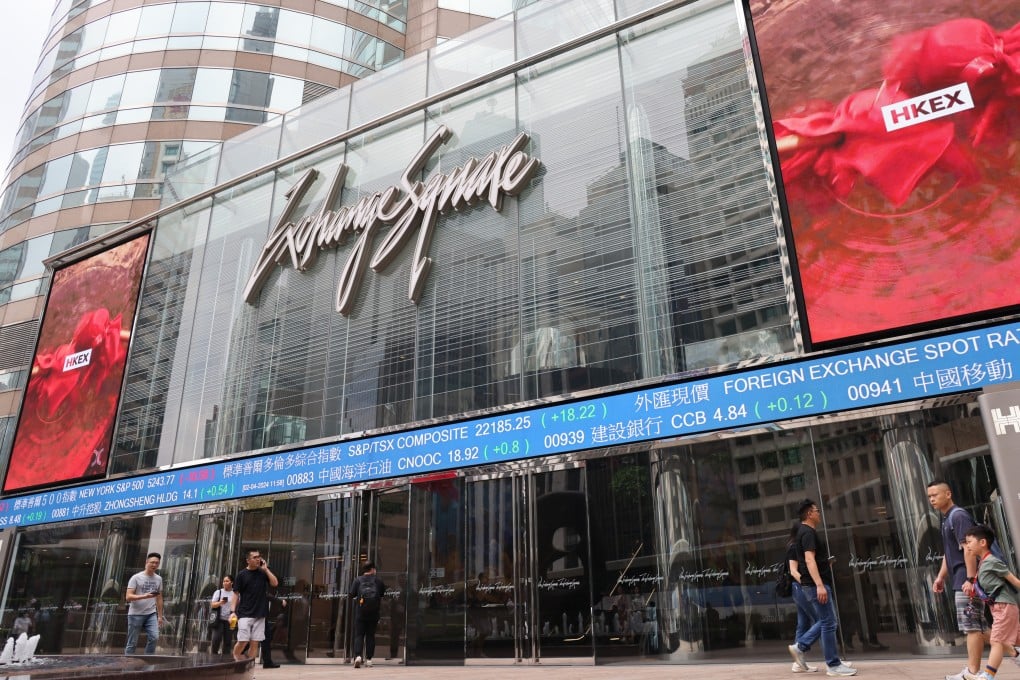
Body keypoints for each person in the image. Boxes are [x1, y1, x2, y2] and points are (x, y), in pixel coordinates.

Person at [788, 500, 857, 677]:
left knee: (827, 621)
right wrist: (819, 584)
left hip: (812, 584)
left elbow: (812, 560)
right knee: (828, 622)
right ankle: (830, 663)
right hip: (814, 585)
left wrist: (825, 565)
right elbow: (809, 560)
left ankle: (805, 649)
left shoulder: (804, 533)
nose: (819, 513)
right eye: (817, 510)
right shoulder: (808, 533)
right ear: (809, 514)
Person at [928, 479, 986, 680]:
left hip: (966, 578)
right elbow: (949, 552)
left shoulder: (958, 516)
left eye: (935, 495)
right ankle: (1013, 650)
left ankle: (972, 673)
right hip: (960, 578)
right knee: (975, 626)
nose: (932, 499)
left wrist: (971, 579)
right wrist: (940, 576)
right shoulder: (947, 519)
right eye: (929, 496)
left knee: (972, 627)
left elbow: (969, 549)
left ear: (948, 494)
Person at [962, 525, 1020, 680]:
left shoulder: (993, 561)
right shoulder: (982, 563)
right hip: (999, 607)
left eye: (969, 542)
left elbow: (1015, 581)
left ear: (982, 543)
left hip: (1004, 606)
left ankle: (988, 675)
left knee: (996, 641)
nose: (967, 546)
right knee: (1015, 639)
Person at [232, 549, 279, 663]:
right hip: (245, 613)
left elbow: (275, 583)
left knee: (254, 643)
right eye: (255, 557)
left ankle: (249, 667)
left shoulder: (263, 572)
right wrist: (232, 612)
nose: (258, 559)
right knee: (243, 641)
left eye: (259, 557)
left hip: (260, 614)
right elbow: (235, 594)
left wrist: (266, 569)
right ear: (248, 560)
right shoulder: (241, 575)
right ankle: (235, 660)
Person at [786, 522, 819, 673]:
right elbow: (793, 571)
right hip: (801, 588)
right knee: (823, 621)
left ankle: (797, 663)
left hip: (800, 588)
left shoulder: (797, 546)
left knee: (803, 623)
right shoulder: (794, 547)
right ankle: (801, 647)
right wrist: (807, 584)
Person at [125, 552, 164, 655]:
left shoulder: (158, 579)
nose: (154, 565)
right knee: (132, 642)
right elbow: (128, 597)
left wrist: (160, 616)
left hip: (151, 613)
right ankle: (127, 662)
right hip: (135, 614)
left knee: (154, 637)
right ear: (146, 562)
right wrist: (145, 596)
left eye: (157, 563)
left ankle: (148, 660)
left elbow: (159, 598)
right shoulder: (136, 577)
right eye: (152, 562)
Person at [349, 562, 387, 668]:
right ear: (372, 569)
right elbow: (382, 594)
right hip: (374, 613)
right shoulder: (378, 581)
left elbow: (351, 594)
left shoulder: (358, 580)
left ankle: (358, 656)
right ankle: (369, 659)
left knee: (359, 635)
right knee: (370, 635)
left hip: (360, 612)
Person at [209, 575, 235, 656]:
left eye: (227, 581)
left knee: (228, 641)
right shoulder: (218, 592)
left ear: (232, 582)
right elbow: (212, 605)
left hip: (229, 620)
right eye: (224, 581)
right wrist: (220, 602)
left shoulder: (235, 593)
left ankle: (225, 659)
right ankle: (213, 657)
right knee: (216, 639)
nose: (224, 583)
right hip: (219, 620)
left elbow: (237, 605)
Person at [262, 590, 287, 668]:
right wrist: (281, 601)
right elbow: (267, 594)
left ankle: (267, 662)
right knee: (250, 641)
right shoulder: (261, 586)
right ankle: (238, 656)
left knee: (266, 639)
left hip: (262, 617)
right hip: (258, 617)